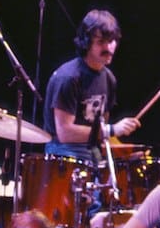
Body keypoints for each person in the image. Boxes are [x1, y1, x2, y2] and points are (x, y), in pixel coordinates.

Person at [43, 9, 141, 163]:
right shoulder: (68, 77)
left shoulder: (109, 79)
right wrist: (112, 130)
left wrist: (125, 154)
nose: (108, 48)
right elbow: (65, 133)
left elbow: (100, 132)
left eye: (112, 41)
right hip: (64, 154)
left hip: (93, 152)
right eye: (101, 42)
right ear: (86, 42)